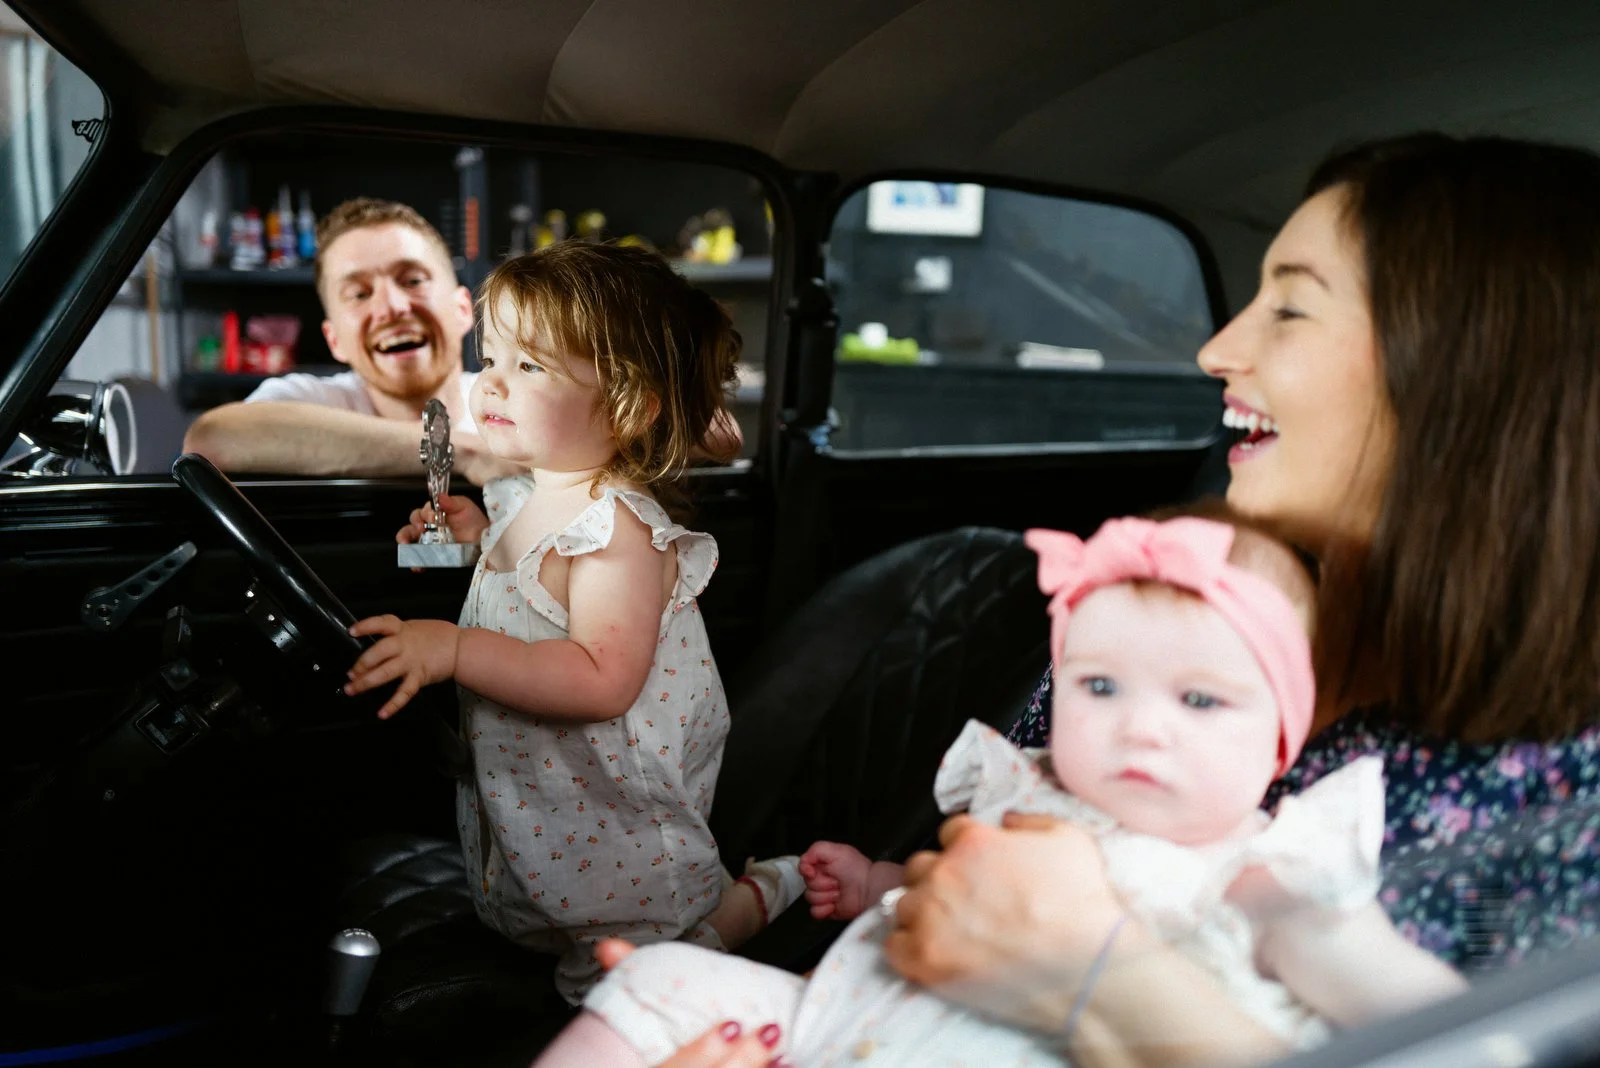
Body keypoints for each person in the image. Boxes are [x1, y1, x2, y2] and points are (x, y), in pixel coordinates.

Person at [629, 132, 1600, 1067]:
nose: (1218, 349)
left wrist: (1098, 982)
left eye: (1291, 310)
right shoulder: (1165, 612)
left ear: (1471, 371)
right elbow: (964, 896)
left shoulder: (1568, 810)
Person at [531, 513, 1466, 1067]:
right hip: (830, 1026)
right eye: (1099, 687)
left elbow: (1453, 1032)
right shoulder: (1037, 796)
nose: (1141, 725)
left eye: (1200, 699)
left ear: (1281, 737)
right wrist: (876, 885)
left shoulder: (1267, 875)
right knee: (655, 978)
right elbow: (957, 897)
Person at [340, 240, 801, 1006]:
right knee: (549, 923)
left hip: (618, 834)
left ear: (627, 403)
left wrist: (455, 650)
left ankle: (758, 899)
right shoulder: (526, 495)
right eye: (494, 358)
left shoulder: (619, 529)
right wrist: (465, 548)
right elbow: (522, 600)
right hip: (551, 808)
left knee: (633, 981)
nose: (492, 381)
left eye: (531, 366)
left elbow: (602, 677)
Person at [181, 198, 741, 484]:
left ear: (460, 308)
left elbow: (718, 432)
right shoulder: (315, 398)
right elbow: (214, 437)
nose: (393, 307)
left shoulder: (522, 396)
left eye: (412, 279)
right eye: (358, 294)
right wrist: (458, 451)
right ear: (335, 340)